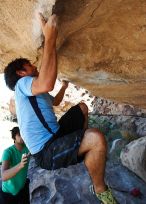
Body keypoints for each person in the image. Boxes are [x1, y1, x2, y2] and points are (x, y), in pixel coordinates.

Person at [4, 13, 117, 204]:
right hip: (46, 151)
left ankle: (82, 150)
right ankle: (101, 191)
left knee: (81, 107)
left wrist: (64, 87)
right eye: (30, 65)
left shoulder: (35, 92)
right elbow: (47, 83)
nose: (35, 66)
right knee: (96, 138)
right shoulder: (22, 85)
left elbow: (55, 101)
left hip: (55, 135)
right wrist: (50, 37)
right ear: (21, 72)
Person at [0, 127, 30, 204]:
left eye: (23, 134)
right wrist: (20, 165)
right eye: (19, 135)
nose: (22, 136)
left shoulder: (28, 148)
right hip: (8, 193)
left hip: (23, 189)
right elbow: (3, 176)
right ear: (14, 137)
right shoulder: (8, 152)